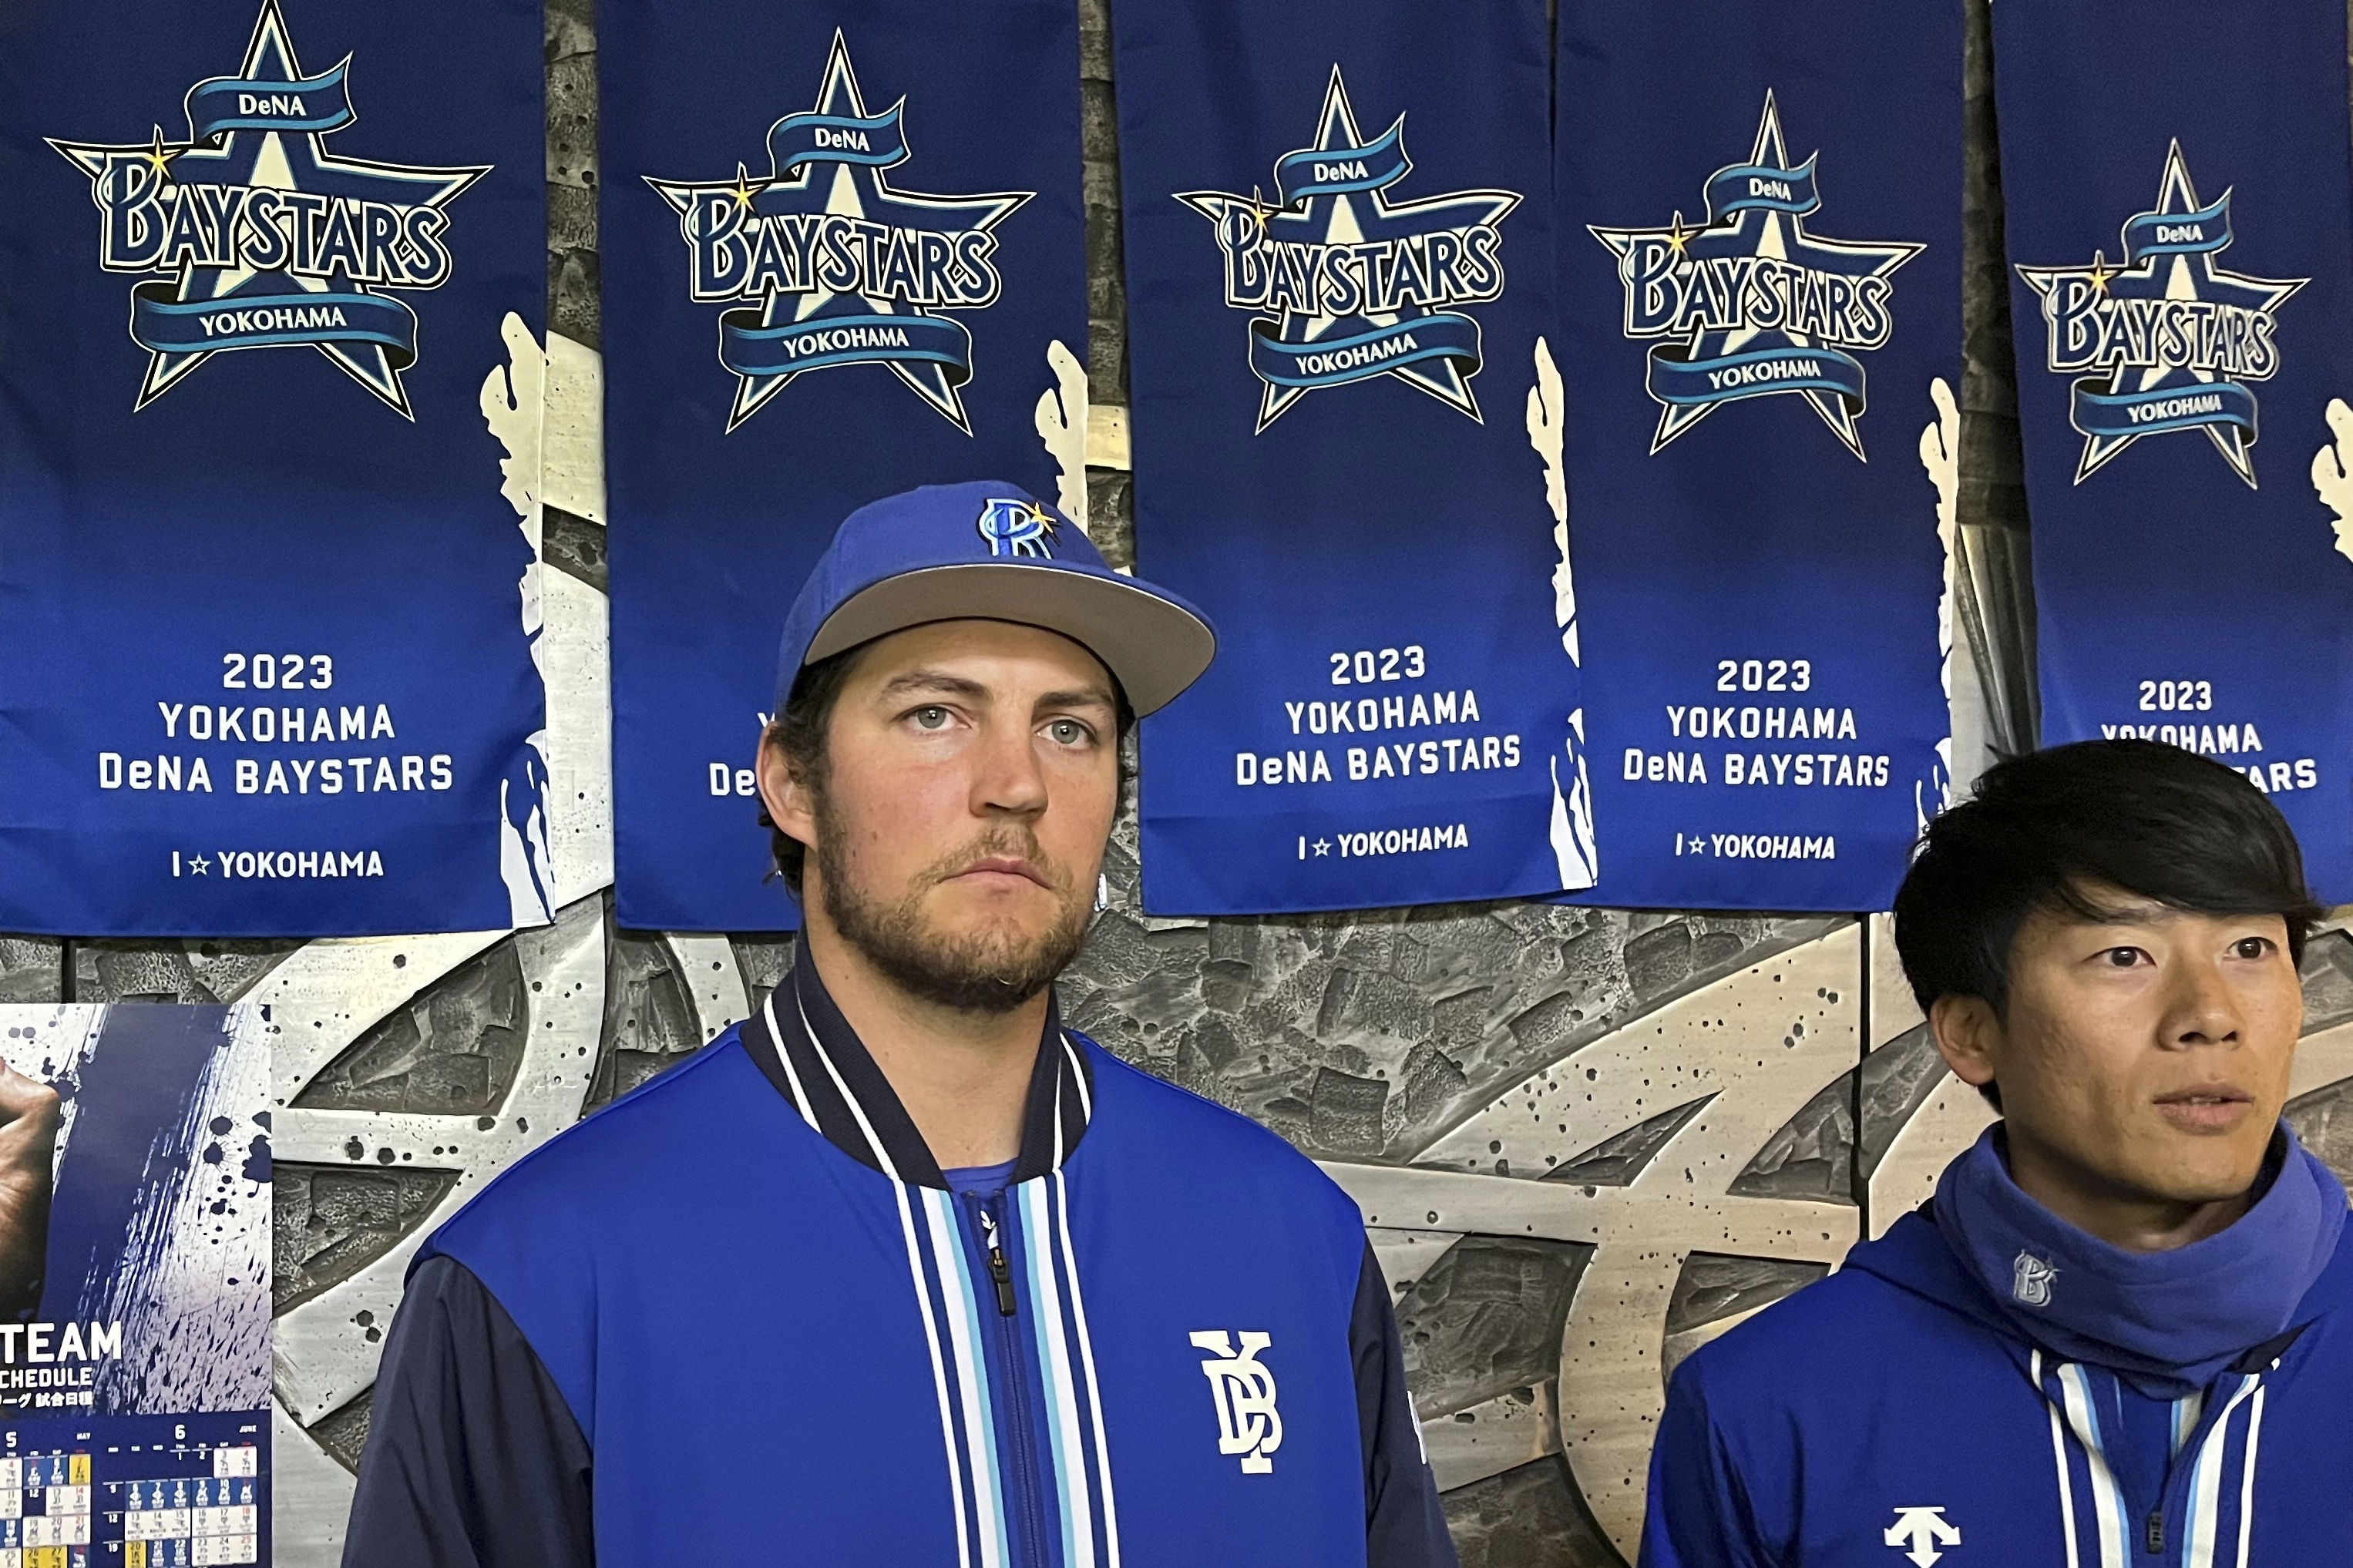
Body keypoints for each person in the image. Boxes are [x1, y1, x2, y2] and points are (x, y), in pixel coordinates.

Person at [343, 481, 1454, 1567]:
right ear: (791, 781)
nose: (1014, 783)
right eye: (936, 714)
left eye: (1069, 727)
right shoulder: (539, 1278)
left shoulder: (1291, 1238)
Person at [1641, 739, 2351, 1566]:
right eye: (2124, 955)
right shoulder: (1769, 1404)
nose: (2209, 1014)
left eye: (2249, 950)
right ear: (1971, 1034)